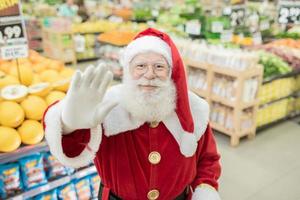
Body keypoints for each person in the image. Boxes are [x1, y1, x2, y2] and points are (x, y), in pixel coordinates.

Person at [43, 28, 221, 200]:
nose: (150, 74)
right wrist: (70, 125)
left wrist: (205, 189)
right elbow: (73, 151)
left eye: (159, 67)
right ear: (128, 70)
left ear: (172, 72)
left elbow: (208, 159)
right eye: (141, 66)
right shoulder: (107, 107)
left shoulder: (194, 110)